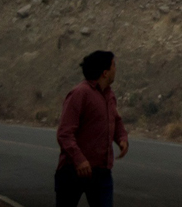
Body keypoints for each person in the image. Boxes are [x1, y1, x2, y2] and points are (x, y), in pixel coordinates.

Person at [55, 50, 129, 207]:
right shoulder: (80, 94)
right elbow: (65, 133)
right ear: (105, 72)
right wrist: (79, 160)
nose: (116, 69)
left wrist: (122, 138)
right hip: (73, 171)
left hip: (101, 172)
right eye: (114, 66)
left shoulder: (110, 95)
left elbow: (116, 121)